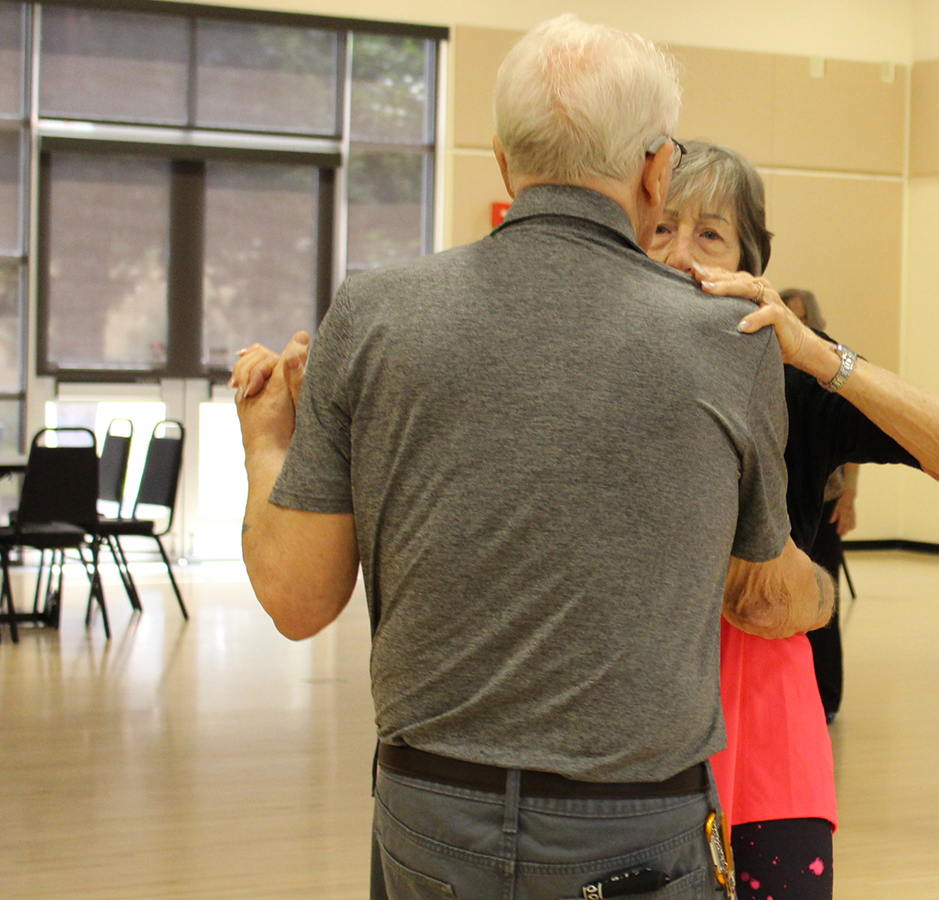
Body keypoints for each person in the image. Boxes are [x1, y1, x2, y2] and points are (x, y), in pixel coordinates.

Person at [229, 17, 833, 900]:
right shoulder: (728, 340)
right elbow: (766, 593)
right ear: (658, 170)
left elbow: (297, 600)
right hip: (637, 822)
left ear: (507, 164)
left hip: (430, 810)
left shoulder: (373, 314)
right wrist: (820, 596)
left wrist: (265, 446)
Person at [650, 139, 939, 900]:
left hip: (769, 716)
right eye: (660, 228)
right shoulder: (592, 372)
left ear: (750, 261)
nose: (681, 255)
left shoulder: (793, 381)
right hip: (634, 727)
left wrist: (814, 352)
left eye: (710, 234)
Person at [780, 287, 857, 722]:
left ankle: (827, 698)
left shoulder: (831, 364)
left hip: (824, 500)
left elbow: (851, 448)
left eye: (803, 318)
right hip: (781, 504)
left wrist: (849, 497)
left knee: (824, 600)